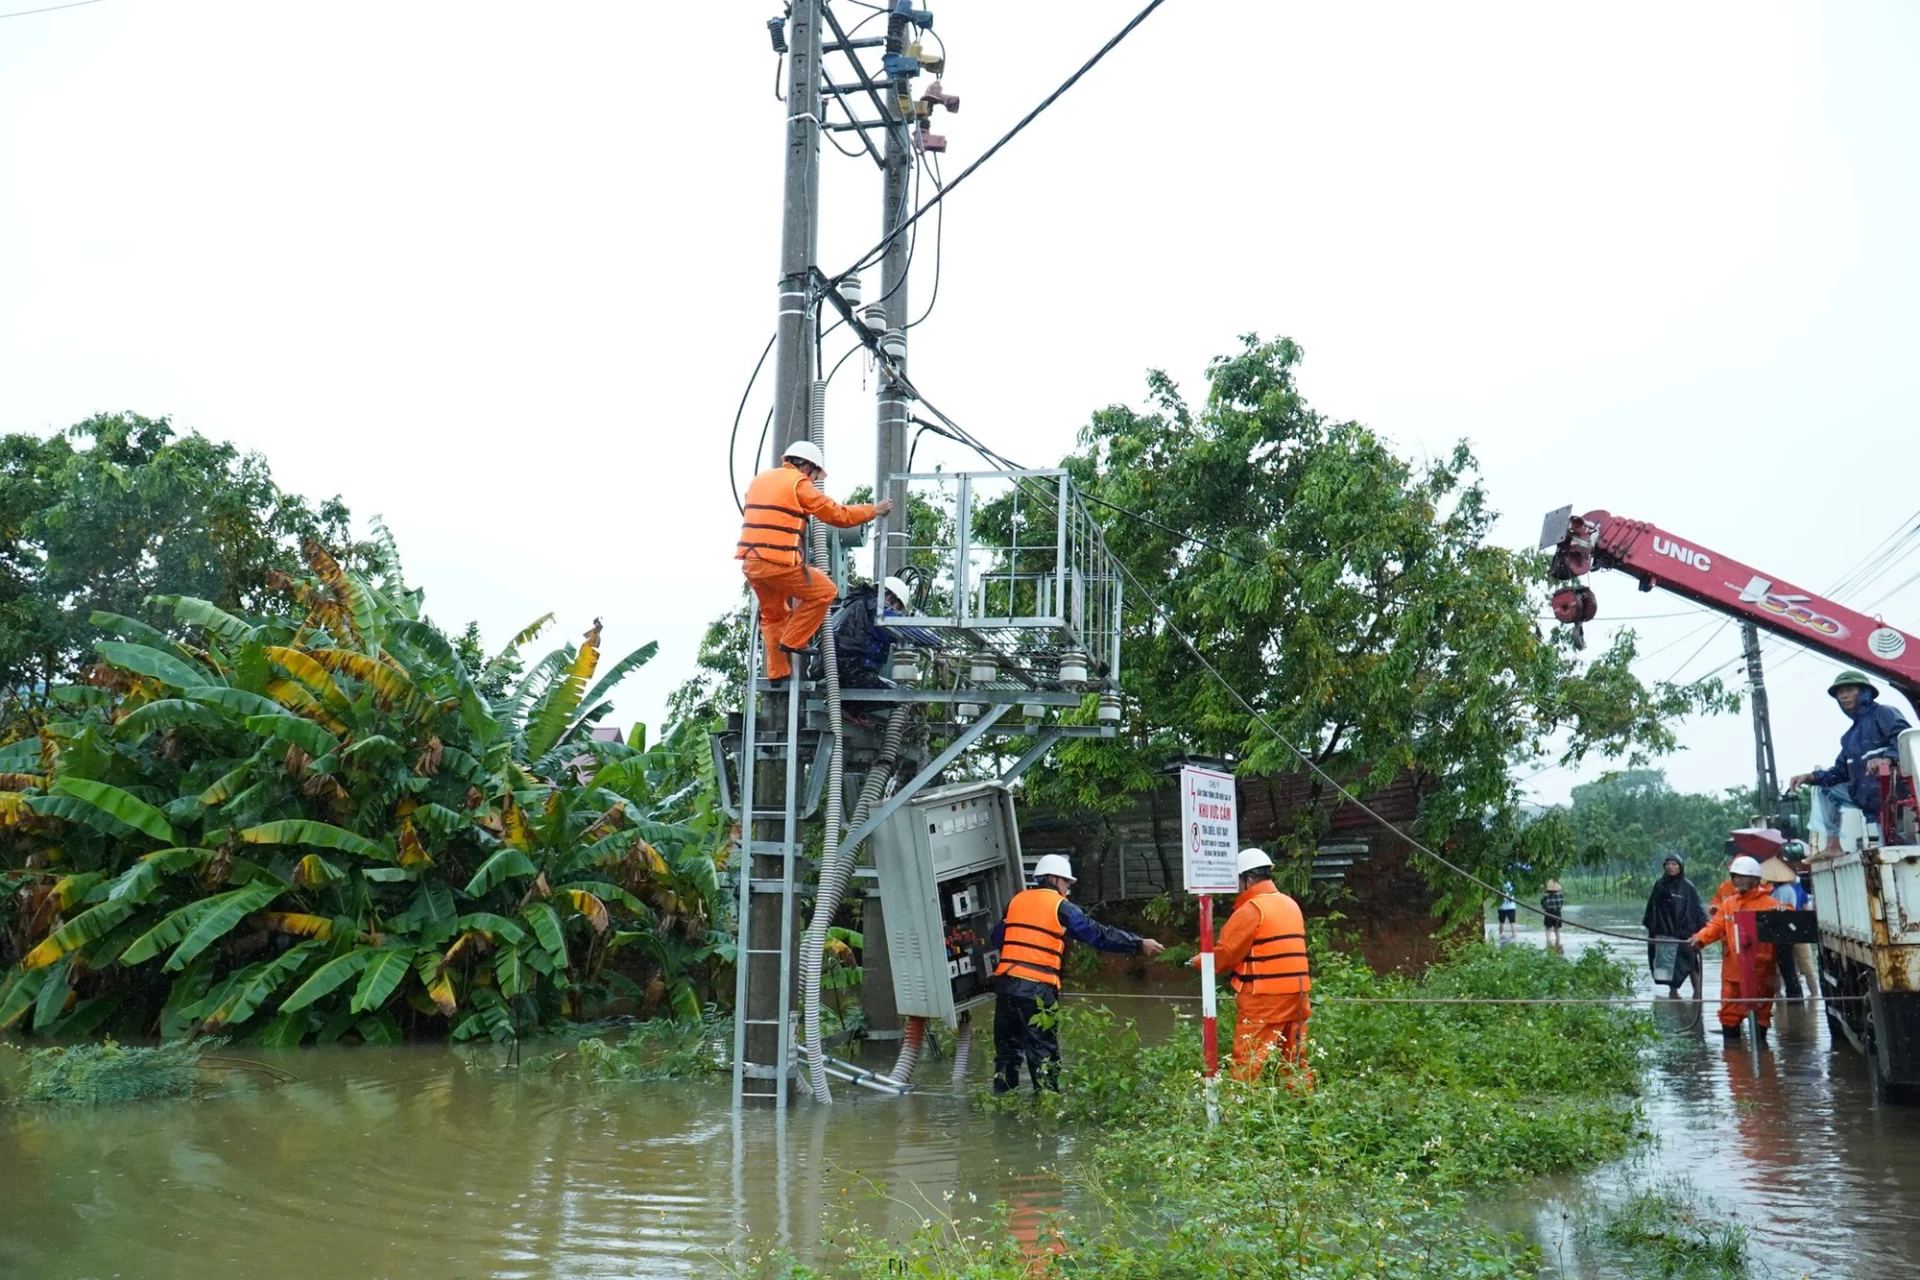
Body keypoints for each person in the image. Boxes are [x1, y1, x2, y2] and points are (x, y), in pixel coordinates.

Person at [989, 854, 1165, 1094]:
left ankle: (1003, 1104)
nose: (1067, 890)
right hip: (1038, 991)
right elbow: (1096, 934)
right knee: (1043, 1056)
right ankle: (1046, 1113)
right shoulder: (1061, 907)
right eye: (1066, 884)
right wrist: (1136, 943)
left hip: (1006, 988)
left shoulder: (1017, 901)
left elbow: (997, 938)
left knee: (1007, 1053)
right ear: (1052, 878)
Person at [735, 441, 892, 682]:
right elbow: (837, 514)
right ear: (807, 467)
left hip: (751, 562)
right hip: (778, 561)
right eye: (815, 475)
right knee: (825, 591)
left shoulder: (760, 480)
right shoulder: (799, 484)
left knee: (773, 615)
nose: (814, 480)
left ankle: (778, 672)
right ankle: (793, 641)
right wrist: (874, 510)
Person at [1206, 848, 1313, 1083]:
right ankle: (1305, 1103)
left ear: (1248, 879)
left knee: (1248, 1058)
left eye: (1237, 881)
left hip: (1264, 997)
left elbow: (1227, 953)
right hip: (1298, 994)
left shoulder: (1252, 909)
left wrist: (1202, 961)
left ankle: (1238, 1112)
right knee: (1295, 1058)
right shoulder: (1289, 903)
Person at [1786, 670, 1913, 855]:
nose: (1843, 695)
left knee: (1906, 856)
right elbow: (1839, 773)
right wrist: (1810, 776)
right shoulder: (1849, 737)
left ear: (1864, 692)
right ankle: (1833, 845)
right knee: (1826, 789)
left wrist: (1886, 758)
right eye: (1839, 692)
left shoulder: (1883, 713)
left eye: (1849, 689)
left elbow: (1905, 740)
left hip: (1899, 801)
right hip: (1873, 807)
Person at [1689, 855, 1785, 1044]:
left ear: (1755, 879)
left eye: (1742, 876)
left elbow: (1789, 918)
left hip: (1761, 972)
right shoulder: (1729, 904)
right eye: (1734, 877)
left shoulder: (1770, 905)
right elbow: (1715, 927)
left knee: (1761, 1016)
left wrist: (1783, 913)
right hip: (1733, 972)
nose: (1737, 880)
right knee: (1729, 1014)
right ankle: (1735, 1066)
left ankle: (1761, 1066)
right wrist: (1699, 938)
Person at [1642, 855, 1708, 999]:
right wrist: (1653, 931)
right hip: (1665, 933)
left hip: (1685, 934)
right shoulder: (1659, 885)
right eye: (1668, 864)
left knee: (1692, 963)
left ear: (1680, 866)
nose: (1671, 867)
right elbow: (1652, 910)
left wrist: (1700, 932)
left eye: (1674, 864)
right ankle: (1673, 993)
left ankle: (1698, 993)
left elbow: (1697, 909)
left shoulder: (1688, 887)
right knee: (1668, 964)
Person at [1763, 857, 1810, 999]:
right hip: (1791, 930)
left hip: (1781, 932)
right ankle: (1799, 998)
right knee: (1793, 968)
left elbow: (1778, 909)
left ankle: (1786, 997)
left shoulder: (1781, 891)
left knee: (1786, 968)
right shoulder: (1789, 889)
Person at [1541, 880, 1566, 948]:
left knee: (1548, 929)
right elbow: (1561, 904)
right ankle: (1558, 943)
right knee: (1557, 930)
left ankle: (1548, 943)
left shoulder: (1546, 895)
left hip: (1548, 914)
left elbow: (1543, 904)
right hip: (1557, 913)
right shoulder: (1560, 894)